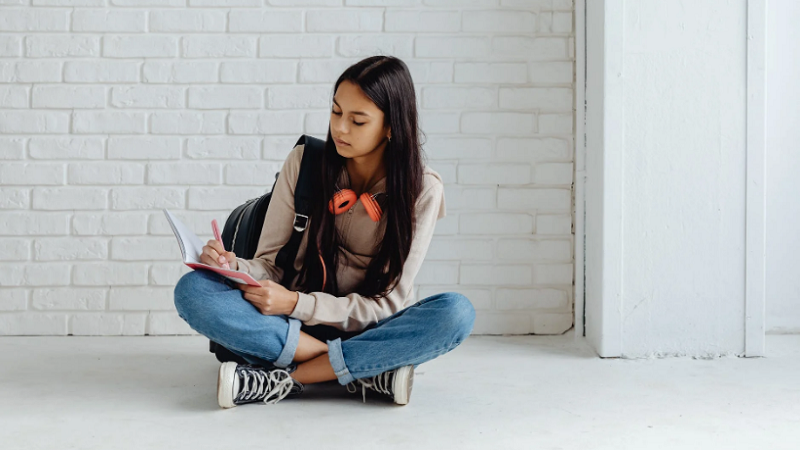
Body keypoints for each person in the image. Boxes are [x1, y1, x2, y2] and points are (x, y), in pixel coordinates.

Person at [173, 56, 475, 409]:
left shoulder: (421, 189)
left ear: (391, 127)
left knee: (457, 313)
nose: (340, 129)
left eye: (357, 120)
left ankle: (286, 378)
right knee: (193, 291)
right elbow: (269, 264)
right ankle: (361, 368)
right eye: (335, 113)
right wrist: (231, 266)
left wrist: (296, 302)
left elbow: (389, 303)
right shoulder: (305, 163)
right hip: (290, 327)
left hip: (370, 328)